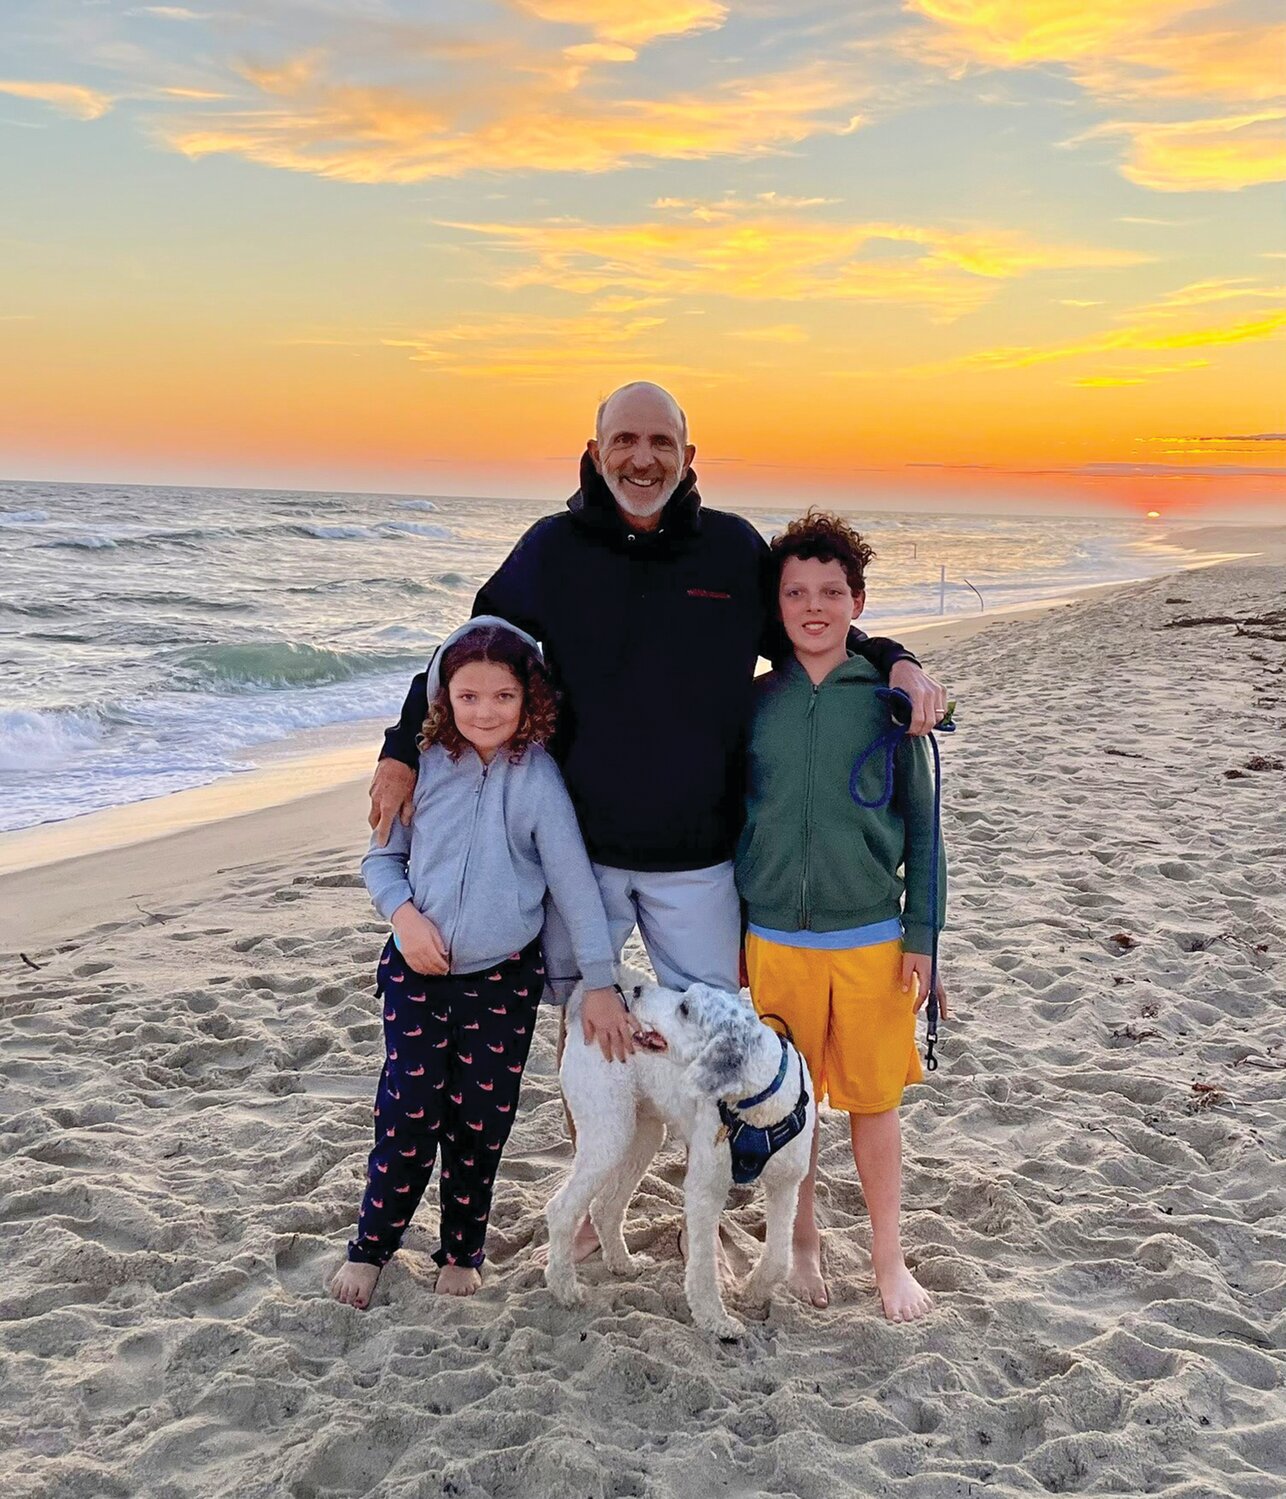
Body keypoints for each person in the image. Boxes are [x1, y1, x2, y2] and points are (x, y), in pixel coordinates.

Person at [368, 382, 948, 1260]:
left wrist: (896, 660)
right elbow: (466, 648)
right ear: (596, 451)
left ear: (688, 454)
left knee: (713, 1029)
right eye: (625, 441)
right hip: (585, 849)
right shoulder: (551, 551)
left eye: (661, 443)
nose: (643, 459)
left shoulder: (730, 550)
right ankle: (599, 1192)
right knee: (589, 1023)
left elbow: (812, 627)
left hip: (698, 855)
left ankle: (702, 1201)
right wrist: (401, 746)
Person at [329, 618, 619, 1308]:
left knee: (480, 1123)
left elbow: (575, 887)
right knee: (405, 1116)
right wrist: (405, 921)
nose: (485, 711)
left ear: (529, 700)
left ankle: (461, 1249)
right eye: (468, 697)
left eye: (502, 697)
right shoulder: (422, 767)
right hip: (417, 975)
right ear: (443, 698)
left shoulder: (540, 779)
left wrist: (601, 980)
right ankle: (371, 1245)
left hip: (500, 983)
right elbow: (381, 859)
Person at [736, 510, 949, 1323]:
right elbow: (730, 826)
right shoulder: (754, 703)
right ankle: (801, 1243)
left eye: (831, 590)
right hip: (772, 942)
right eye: (796, 592)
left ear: (858, 601)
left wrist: (923, 937)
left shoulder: (892, 704)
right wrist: (733, 940)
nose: (813, 605)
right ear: (777, 605)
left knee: (872, 1105)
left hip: (870, 943)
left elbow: (926, 833)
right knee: (788, 1112)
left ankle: (889, 1258)